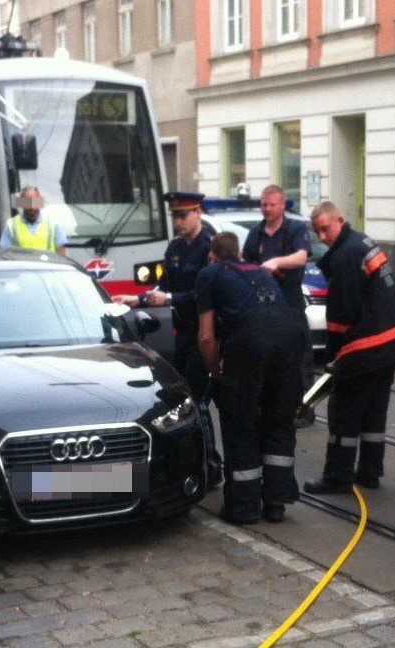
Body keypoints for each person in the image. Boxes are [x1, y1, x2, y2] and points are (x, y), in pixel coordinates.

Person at [112, 191, 223, 486]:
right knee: (186, 398)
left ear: (198, 213)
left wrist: (170, 297)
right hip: (184, 332)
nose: (178, 222)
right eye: (174, 216)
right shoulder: (175, 247)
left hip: (206, 331)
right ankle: (204, 463)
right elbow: (164, 285)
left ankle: (212, 466)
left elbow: (206, 293)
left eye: (183, 215)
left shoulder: (208, 247)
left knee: (197, 400)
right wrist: (138, 300)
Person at [302, 202, 395, 494]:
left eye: (325, 228)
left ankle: (337, 477)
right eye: (317, 232)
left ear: (340, 220)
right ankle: (370, 472)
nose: (323, 236)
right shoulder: (361, 241)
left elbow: (341, 317)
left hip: (366, 346)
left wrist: (333, 360)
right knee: (374, 411)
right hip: (391, 342)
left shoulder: (345, 257)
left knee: (344, 411)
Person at [197, 232, 305, 524]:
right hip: (292, 339)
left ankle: (243, 508)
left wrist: (216, 374)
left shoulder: (210, 274)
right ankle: (276, 502)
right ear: (240, 254)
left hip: (250, 343)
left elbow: (206, 337)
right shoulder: (259, 270)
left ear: (213, 255)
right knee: (279, 420)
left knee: (240, 423)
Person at [242, 185, 315, 428]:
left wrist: (275, 262)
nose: (267, 209)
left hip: (290, 302)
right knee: (269, 357)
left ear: (283, 205)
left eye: (272, 204)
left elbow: (301, 257)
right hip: (264, 305)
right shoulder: (256, 233)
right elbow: (247, 263)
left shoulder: (295, 229)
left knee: (300, 357)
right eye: (264, 204)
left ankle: (305, 411)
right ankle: (273, 407)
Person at [0, 186, 67, 254]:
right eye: (28, 203)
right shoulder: (11, 225)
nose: (32, 206)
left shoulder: (53, 224)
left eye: (35, 202)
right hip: (21, 265)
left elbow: (62, 254)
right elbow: (4, 254)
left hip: (47, 264)